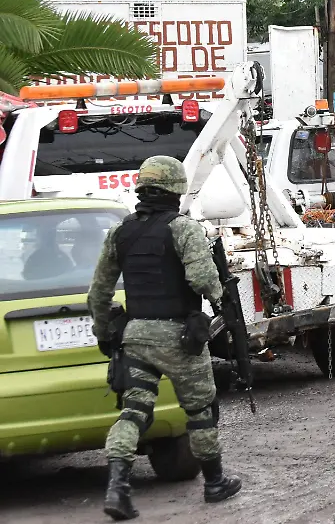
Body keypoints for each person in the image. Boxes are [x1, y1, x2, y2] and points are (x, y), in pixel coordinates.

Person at [87, 155, 241, 521]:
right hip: (179, 338)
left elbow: (98, 293)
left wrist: (103, 333)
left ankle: (117, 489)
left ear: (142, 188)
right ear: (177, 188)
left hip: (136, 336)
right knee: (200, 410)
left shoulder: (120, 232)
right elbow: (202, 280)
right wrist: (221, 302)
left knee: (133, 411)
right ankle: (214, 482)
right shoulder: (184, 229)